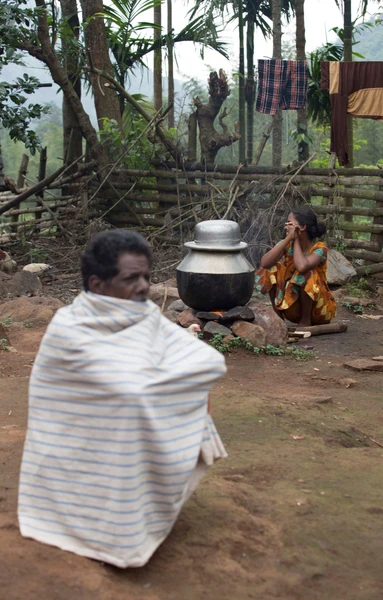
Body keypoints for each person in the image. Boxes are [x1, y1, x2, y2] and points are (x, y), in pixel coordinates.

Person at [18, 229, 227, 568]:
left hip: (127, 427)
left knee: (183, 405)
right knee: (135, 409)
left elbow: (196, 359)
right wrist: (150, 393)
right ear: (99, 285)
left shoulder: (140, 313)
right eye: (132, 278)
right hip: (78, 444)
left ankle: (147, 509)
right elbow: (116, 391)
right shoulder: (69, 328)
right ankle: (100, 525)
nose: (144, 286)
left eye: (146, 276)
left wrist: (182, 391)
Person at [255, 207, 336, 327]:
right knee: (272, 268)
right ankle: (278, 319)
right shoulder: (287, 244)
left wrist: (296, 240)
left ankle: (305, 321)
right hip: (291, 306)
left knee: (307, 272)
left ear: (302, 227)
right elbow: (265, 263)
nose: (285, 227)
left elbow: (302, 266)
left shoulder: (320, 248)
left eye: (289, 223)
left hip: (320, 311)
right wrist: (288, 239)